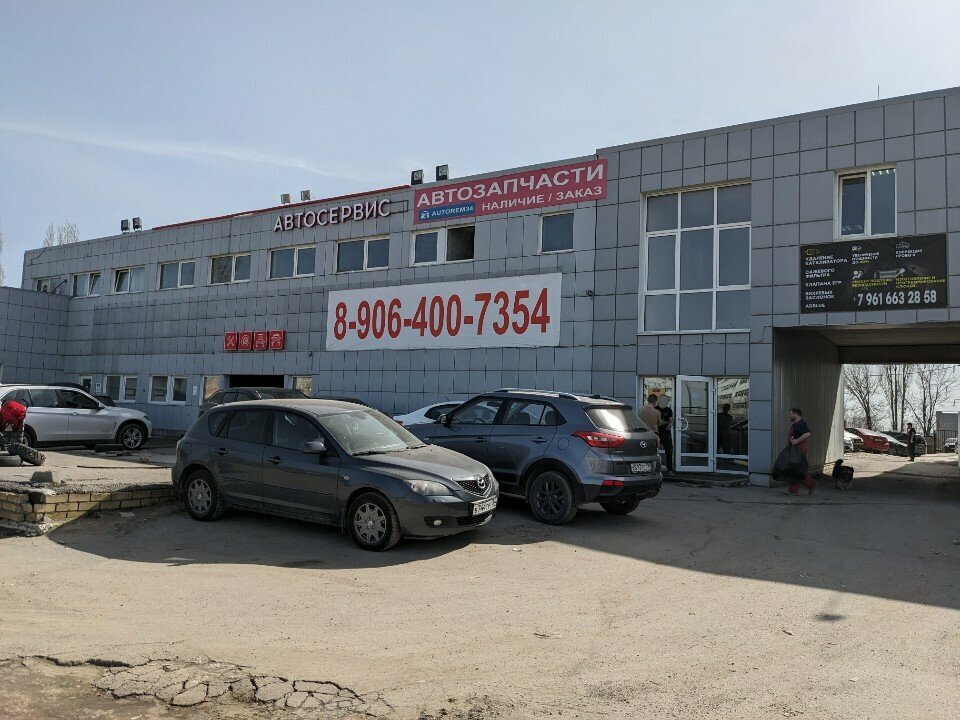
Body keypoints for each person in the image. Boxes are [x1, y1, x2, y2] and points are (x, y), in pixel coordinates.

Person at [787, 407, 816, 495]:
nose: (790, 416)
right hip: (794, 449)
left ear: (795, 414)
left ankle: (810, 484)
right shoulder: (795, 424)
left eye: (791, 414)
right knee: (796, 470)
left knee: (796, 470)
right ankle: (806, 485)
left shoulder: (801, 423)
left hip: (799, 449)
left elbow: (808, 433)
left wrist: (797, 440)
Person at [658, 399, 674, 473]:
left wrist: (669, 426)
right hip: (657, 433)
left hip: (666, 433)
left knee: (669, 451)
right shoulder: (656, 409)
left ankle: (669, 469)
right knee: (654, 451)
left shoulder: (669, 410)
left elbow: (671, 420)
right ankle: (656, 468)